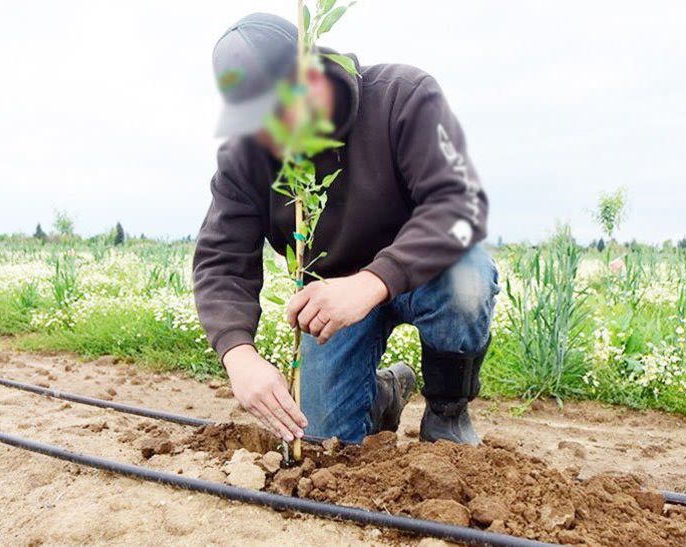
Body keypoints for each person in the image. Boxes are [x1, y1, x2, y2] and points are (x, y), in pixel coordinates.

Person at [193, 13, 499, 445]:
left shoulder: (402, 96)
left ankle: (448, 413)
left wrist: (373, 281)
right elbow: (221, 260)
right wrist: (238, 355)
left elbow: (456, 205)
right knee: (322, 440)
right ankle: (382, 397)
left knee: (466, 277)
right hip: (329, 297)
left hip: (423, 273)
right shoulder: (247, 152)